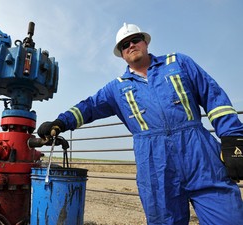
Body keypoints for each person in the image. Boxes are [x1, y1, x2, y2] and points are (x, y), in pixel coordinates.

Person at [37, 23, 243, 224]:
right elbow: (89, 106)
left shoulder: (178, 63)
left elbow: (213, 96)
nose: (130, 46)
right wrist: (60, 122)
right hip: (155, 164)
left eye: (135, 40)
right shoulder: (116, 88)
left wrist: (233, 138)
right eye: (124, 45)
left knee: (229, 217)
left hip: (200, 157)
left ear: (145, 42)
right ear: (121, 54)